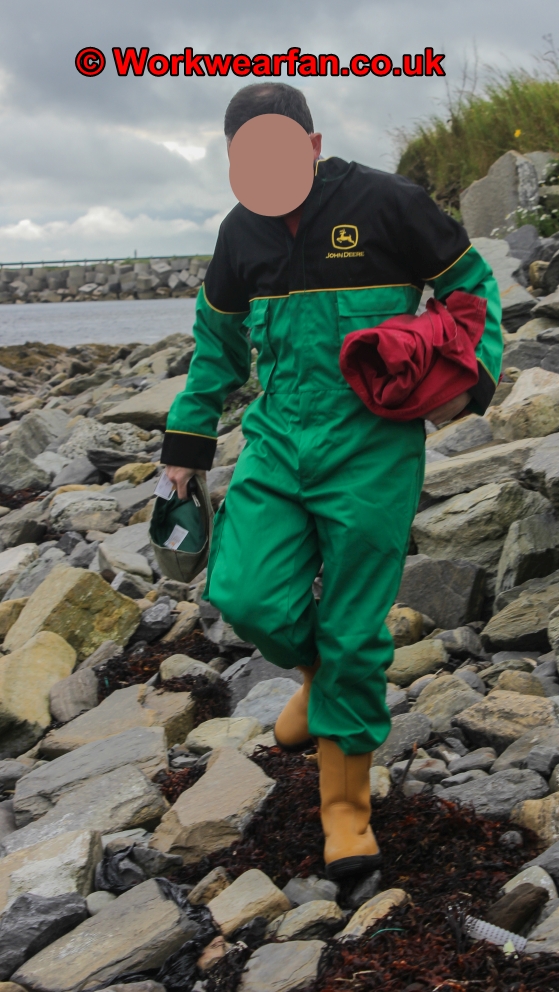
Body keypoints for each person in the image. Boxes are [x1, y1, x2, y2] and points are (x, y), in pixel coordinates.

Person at [162, 82, 502, 880]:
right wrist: (185, 445)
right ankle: (321, 687)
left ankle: (344, 810)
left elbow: (472, 289)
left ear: (313, 147)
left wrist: (468, 379)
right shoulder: (238, 233)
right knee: (243, 593)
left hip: (372, 446)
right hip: (277, 439)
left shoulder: (388, 203)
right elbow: (216, 349)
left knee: (353, 628)